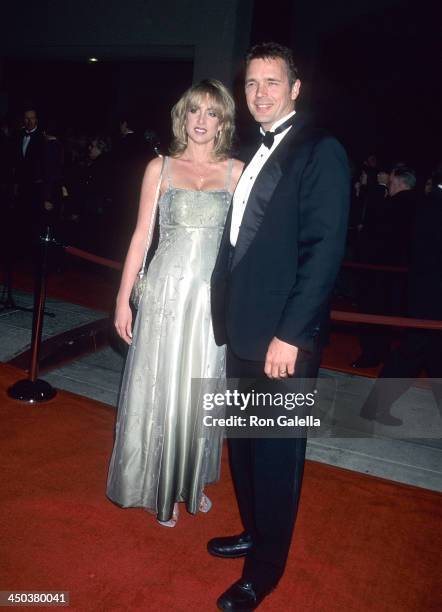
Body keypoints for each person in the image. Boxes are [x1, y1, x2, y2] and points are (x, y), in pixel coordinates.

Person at [209, 43, 350, 610]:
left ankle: (264, 571)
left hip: (283, 340)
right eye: (250, 84)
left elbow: (323, 251)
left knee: (276, 455)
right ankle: (254, 531)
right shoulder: (251, 151)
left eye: (272, 82)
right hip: (241, 329)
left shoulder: (320, 150)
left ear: (295, 89)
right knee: (244, 446)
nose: (259, 93)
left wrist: (291, 334)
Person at [107, 79, 243, 527]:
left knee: (199, 390)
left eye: (212, 112)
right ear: (182, 116)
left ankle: (189, 482)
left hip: (210, 303)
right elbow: (141, 235)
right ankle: (155, 485)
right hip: (166, 295)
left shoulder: (236, 172)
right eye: (194, 111)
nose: (202, 121)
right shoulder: (160, 167)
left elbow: (245, 245)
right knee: (161, 388)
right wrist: (124, 300)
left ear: (223, 120)